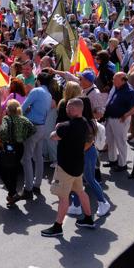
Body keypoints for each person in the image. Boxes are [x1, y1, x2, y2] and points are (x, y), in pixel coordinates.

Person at [41, 98, 95, 237]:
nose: (67, 110)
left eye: (68, 108)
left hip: (65, 167)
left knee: (63, 198)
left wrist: (58, 127)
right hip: (78, 165)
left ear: (73, 110)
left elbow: (53, 136)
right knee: (80, 191)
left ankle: (58, 227)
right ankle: (88, 218)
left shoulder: (66, 126)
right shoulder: (84, 123)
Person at [67, 97, 111, 218]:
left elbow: (88, 143)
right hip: (85, 153)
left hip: (87, 154)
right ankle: (76, 205)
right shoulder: (84, 121)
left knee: (90, 179)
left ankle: (103, 202)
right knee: (77, 180)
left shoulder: (87, 123)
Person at [21, 72, 54, 199]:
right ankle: (36, 185)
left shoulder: (36, 91)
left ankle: (28, 188)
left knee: (27, 158)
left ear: (39, 81)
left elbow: (22, 108)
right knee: (38, 157)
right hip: (41, 127)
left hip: (32, 127)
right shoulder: (48, 94)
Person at [0, 99, 35, 207]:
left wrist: (4, 141)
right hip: (19, 148)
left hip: (8, 148)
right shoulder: (23, 119)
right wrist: (23, 137)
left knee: (2, 171)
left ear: (8, 109)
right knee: (14, 170)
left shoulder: (6, 119)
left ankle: (12, 193)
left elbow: (2, 132)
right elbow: (33, 129)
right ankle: (12, 195)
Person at [103, 72, 134, 172]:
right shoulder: (117, 87)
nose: (113, 81)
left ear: (123, 80)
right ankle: (113, 160)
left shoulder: (129, 91)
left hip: (120, 119)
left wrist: (126, 115)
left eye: (115, 79)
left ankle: (122, 164)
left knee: (120, 142)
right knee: (110, 140)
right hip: (111, 118)